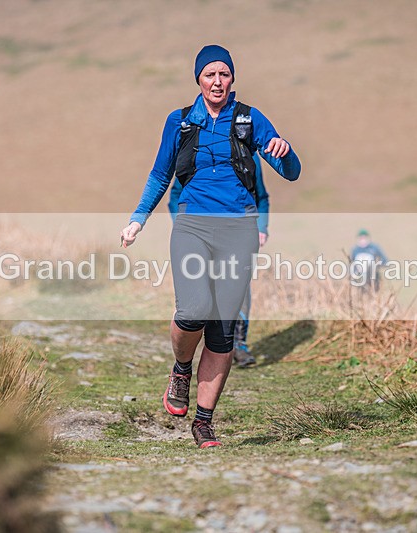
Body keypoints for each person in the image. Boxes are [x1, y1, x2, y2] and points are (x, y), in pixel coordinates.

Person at [120, 45, 300, 448]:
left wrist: (284, 152)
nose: (217, 81)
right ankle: (181, 368)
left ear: (232, 78)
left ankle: (204, 423)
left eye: (224, 74)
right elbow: (159, 174)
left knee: (223, 331)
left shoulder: (250, 119)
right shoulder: (180, 122)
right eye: (209, 75)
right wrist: (137, 219)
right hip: (192, 226)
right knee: (194, 309)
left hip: (239, 230)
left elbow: (291, 172)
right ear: (198, 80)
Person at [167, 151, 269, 368]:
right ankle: (195, 344)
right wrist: (183, 227)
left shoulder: (251, 156)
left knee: (238, 289)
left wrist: (261, 228)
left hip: (237, 233)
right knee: (199, 291)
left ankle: (238, 344)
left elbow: (261, 195)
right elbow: (175, 195)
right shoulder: (196, 150)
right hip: (197, 233)